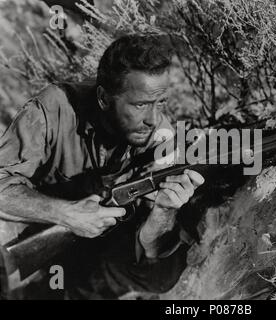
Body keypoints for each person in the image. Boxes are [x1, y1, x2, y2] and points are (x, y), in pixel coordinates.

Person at [0, 34, 205, 299]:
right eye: (141, 105)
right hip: (36, 227)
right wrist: (66, 214)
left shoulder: (160, 138)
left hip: (104, 248)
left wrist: (163, 211)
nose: (153, 119)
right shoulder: (55, 109)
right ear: (104, 98)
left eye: (161, 103)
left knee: (164, 268)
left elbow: (151, 251)